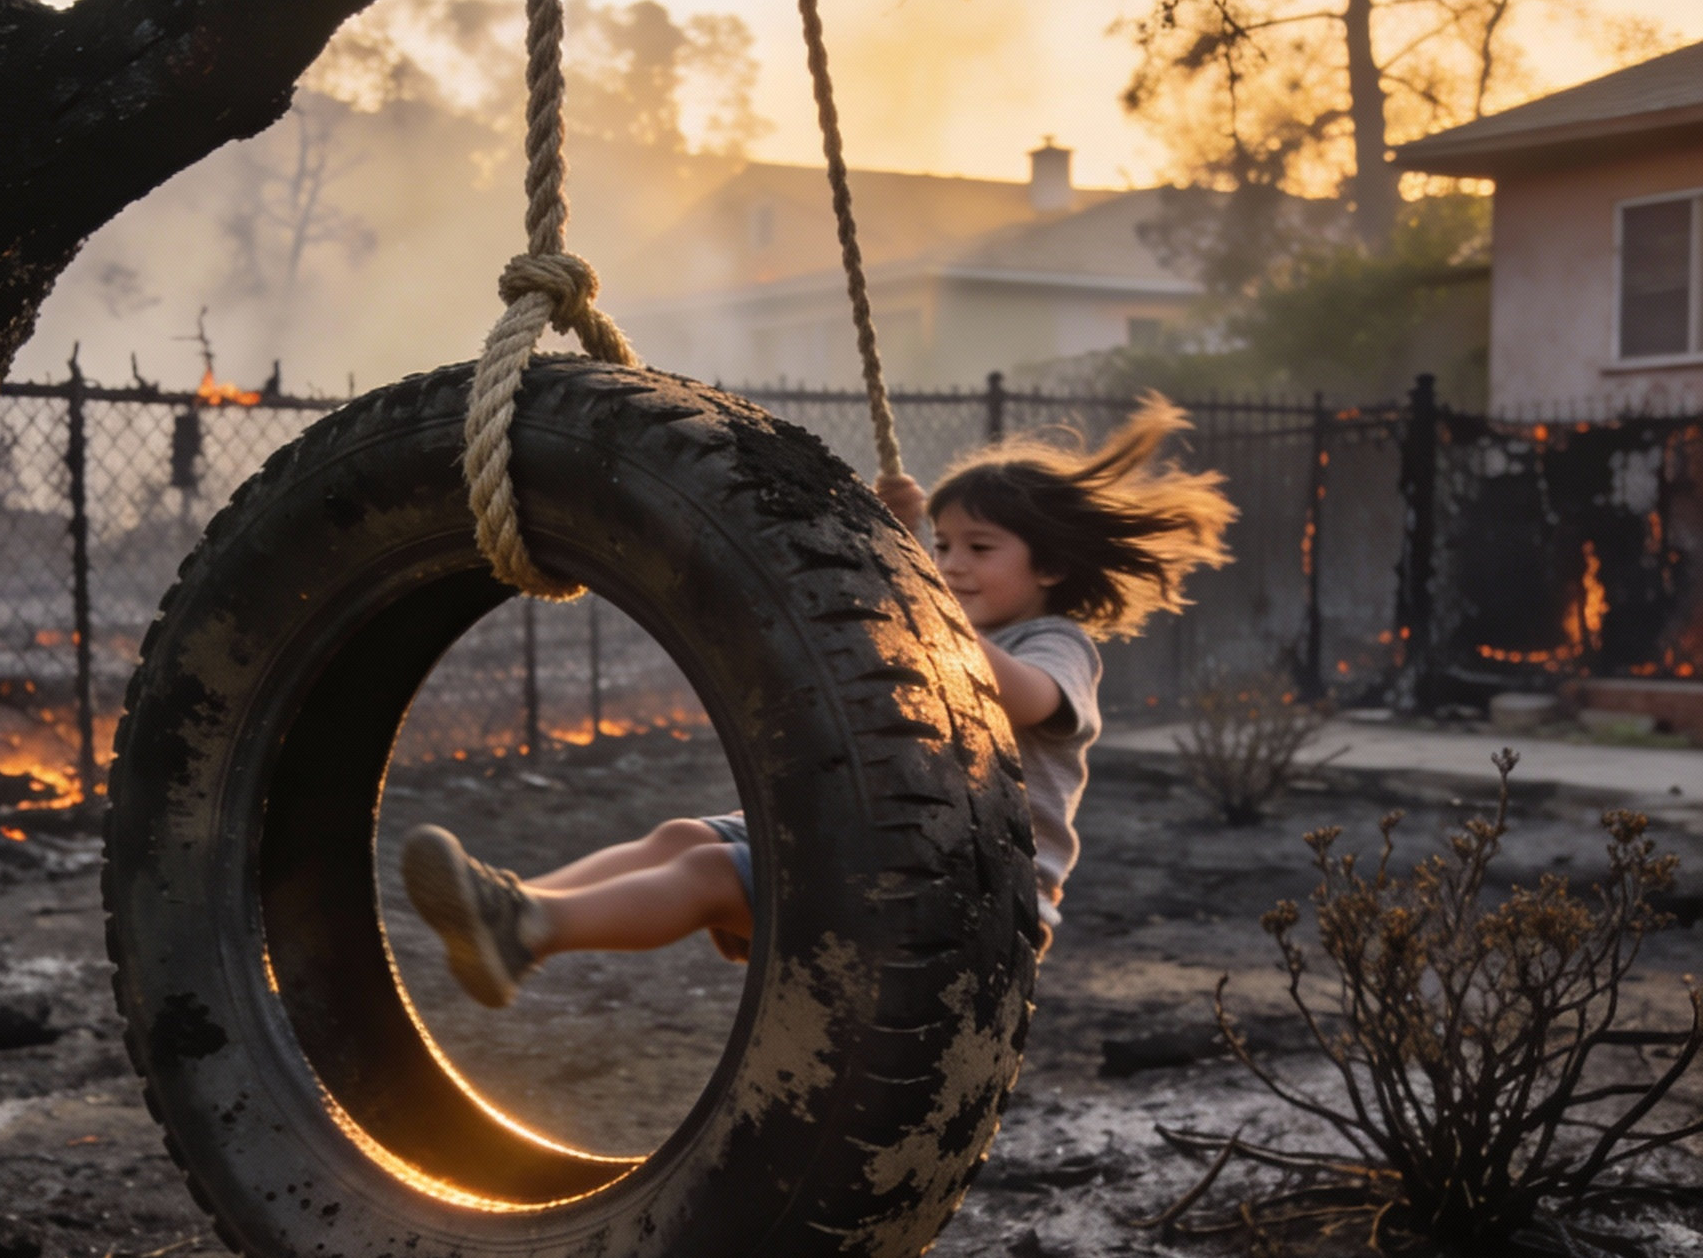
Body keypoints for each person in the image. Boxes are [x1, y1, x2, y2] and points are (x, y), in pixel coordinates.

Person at [400, 396, 1235, 1007]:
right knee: (682, 832)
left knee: (700, 872)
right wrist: (901, 550)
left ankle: (531, 925)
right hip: (891, 844)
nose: (952, 566)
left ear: (1051, 567)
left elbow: (1012, 694)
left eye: (980, 548)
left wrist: (917, 577)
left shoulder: (1055, 647)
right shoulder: (950, 624)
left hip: (978, 896)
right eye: (943, 547)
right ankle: (513, 908)